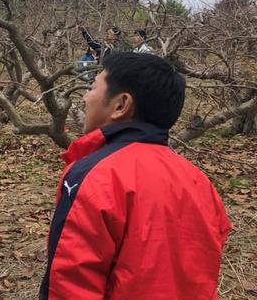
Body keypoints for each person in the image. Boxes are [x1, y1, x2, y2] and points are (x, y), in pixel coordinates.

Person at [39, 52, 231, 300]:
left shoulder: (94, 176)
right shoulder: (199, 181)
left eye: (93, 87)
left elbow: (70, 284)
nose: (86, 97)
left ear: (121, 104)